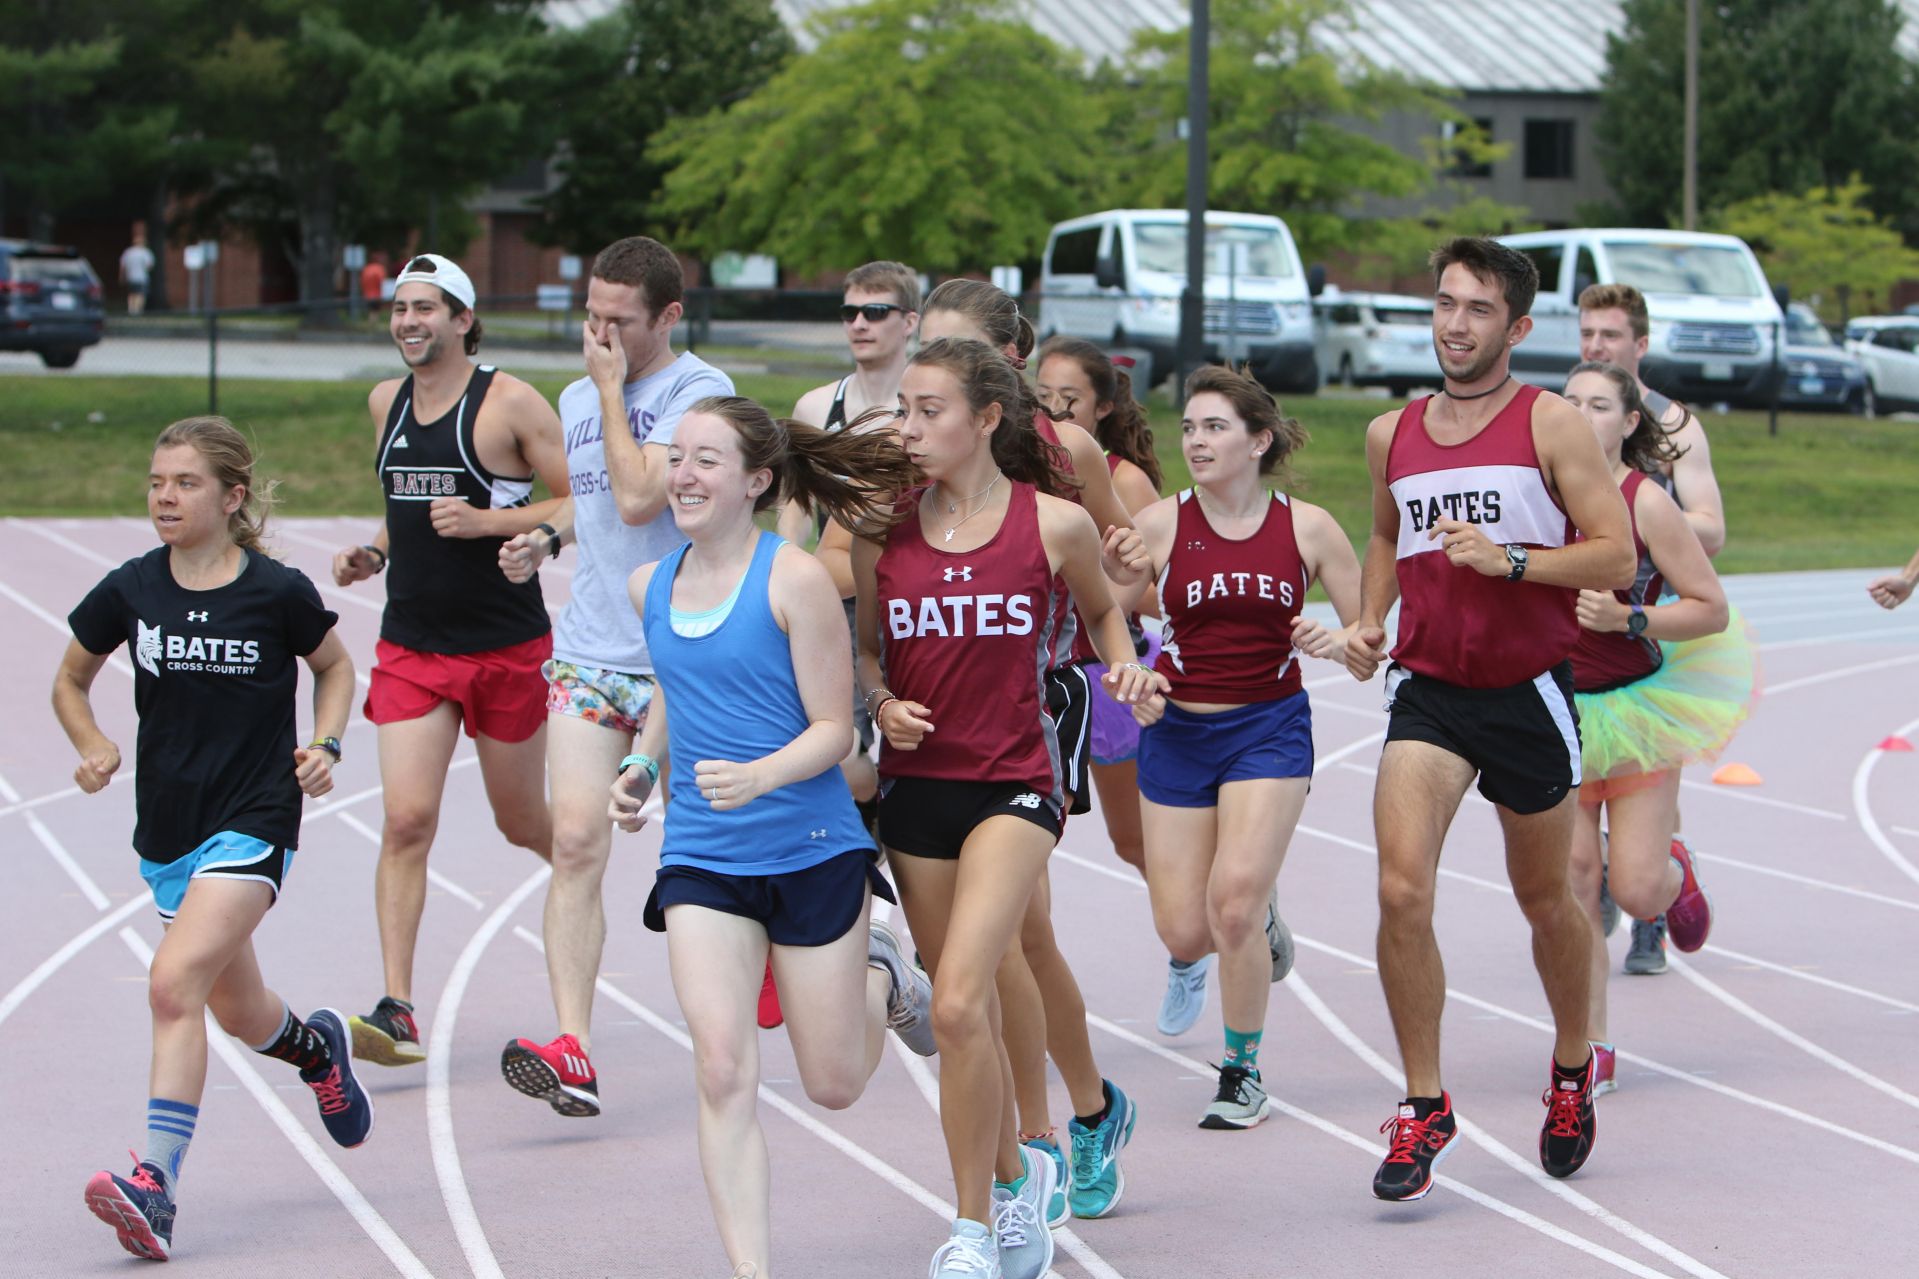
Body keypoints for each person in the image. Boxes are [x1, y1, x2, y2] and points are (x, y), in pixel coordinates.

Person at [854, 337, 1168, 1279]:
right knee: (963, 1018)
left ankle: (967, 1229)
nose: (907, 428)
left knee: (955, 996)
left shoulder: (1053, 524)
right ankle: (1008, 1181)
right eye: (901, 409)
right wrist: (878, 703)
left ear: (986, 419)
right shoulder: (884, 525)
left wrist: (1123, 667)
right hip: (918, 789)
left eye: (927, 410)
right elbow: (863, 650)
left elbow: (1105, 611)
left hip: (1015, 782)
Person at [1335, 237, 1636, 1202]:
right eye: (1443, 304)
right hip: (1428, 690)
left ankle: (1567, 1063)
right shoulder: (1393, 431)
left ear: (1516, 327)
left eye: (1475, 309)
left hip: (1527, 691)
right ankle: (1424, 1104)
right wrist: (1370, 618)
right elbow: (1384, 531)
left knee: (1546, 901)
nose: (1452, 324)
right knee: (1397, 890)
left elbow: (1616, 555)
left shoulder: (1550, 424)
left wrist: (1512, 560)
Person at [607, 395, 934, 1279]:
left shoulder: (792, 578)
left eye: (706, 459)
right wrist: (641, 764)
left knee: (833, 1082)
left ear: (755, 480)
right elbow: (677, 685)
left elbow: (836, 730)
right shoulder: (652, 586)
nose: (683, 474)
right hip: (703, 859)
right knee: (720, 1068)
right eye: (678, 456)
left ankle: (881, 970)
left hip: (810, 845)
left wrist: (760, 775)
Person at [56, 417, 373, 1260]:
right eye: (157, 480)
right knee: (237, 1011)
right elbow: (70, 677)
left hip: (255, 816)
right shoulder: (131, 589)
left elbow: (336, 667)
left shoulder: (276, 590)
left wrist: (326, 743)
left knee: (172, 984)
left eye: (185, 482)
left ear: (231, 497)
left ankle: (154, 1187)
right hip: (168, 829)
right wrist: (90, 743)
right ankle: (317, 1051)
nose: (164, 494)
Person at [494, 236, 733, 1114]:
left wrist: (607, 389)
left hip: (687, 655)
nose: (598, 336)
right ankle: (573, 1047)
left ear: (668, 317)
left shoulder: (698, 394)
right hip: (593, 651)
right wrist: (549, 536)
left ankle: (841, 950)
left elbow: (642, 497)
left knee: (714, 854)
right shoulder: (576, 392)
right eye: (590, 317)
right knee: (575, 842)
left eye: (619, 322)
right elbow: (597, 502)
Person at [332, 253, 569, 1065]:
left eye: (426, 307)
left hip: (504, 647)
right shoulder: (382, 402)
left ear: (463, 319)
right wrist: (371, 550)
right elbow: (400, 507)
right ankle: (396, 1008)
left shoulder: (508, 403)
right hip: (412, 647)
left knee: (521, 822)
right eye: (399, 308)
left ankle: (581, 871)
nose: (408, 321)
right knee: (405, 820)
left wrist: (498, 527)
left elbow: (576, 499)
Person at [1117, 365, 1360, 1129]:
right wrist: (1130, 675)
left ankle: (1241, 1070)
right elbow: (1106, 627)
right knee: (1184, 930)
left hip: (1269, 726)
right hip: (1179, 731)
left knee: (1230, 908)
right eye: (1188, 426)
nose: (1195, 439)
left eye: (1214, 426)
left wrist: (1339, 639)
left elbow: (1373, 643)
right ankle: (1257, 910)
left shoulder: (1310, 527)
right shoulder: (1158, 524)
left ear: (1259, 439)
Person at [1560, 361, 1747, 1095]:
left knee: (1634, 891)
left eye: (1597, 403)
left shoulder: (1647, 503)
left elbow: (1711, 607)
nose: (1579, 413)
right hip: (1553, 711)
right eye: (1568, 401)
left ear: (1629, 421)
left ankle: (1674, 869)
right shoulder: (1532, 500)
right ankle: (1587, 1046)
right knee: (1575, 881)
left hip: (1635, 707)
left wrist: (1628, 616)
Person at [769, 260, 922, 1031]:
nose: (859, 322)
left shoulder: (923, 407)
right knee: (840, 762)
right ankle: (859, 926)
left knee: (910, 771)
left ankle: (894, 933)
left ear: (909, 321)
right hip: (832, 600)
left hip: (914, 604)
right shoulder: (814, 406)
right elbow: (792, 514)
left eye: (876, 310)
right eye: (849, 310)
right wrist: (778, 591)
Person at [1578, 282, 1737, 974]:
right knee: (1573, 877)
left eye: (1608, 337)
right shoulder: (1558, 422)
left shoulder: (1676, 426)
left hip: (1645, 625)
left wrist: (1648, 515)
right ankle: (1583, 1045)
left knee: (1638, 867)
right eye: (1586, 333)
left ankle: (1649, 902)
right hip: (1565, 669)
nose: (1594, 346)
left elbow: (1713, 528)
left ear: (1638, 345)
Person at [120, 226, 156, 316]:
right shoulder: (145, 252)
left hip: (130, 277)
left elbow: (122, 266)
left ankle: (131, 310)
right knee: (141, 295)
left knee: (131, 294)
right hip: (142, 277)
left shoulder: (128, 252)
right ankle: (138, 311)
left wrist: (122, 277)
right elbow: (149, 266)